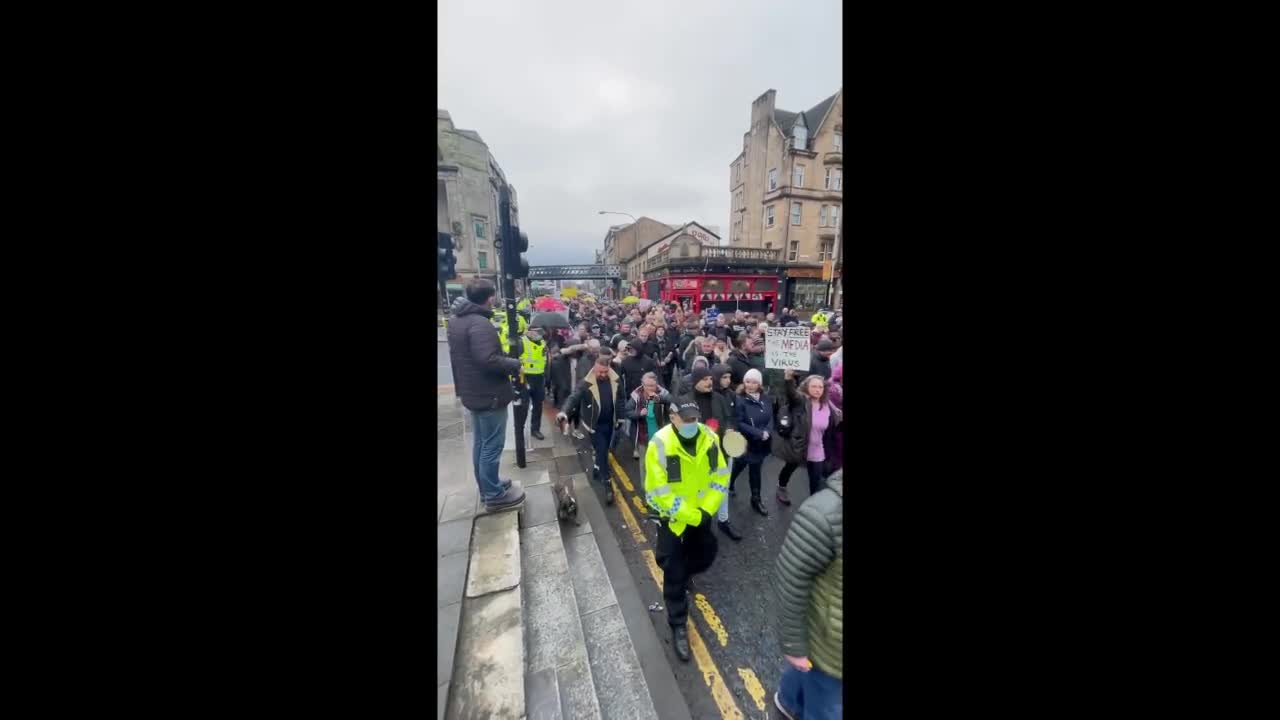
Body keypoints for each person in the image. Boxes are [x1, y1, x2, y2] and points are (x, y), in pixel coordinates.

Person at [643, 400, 729, 662]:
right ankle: (678, 622)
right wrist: (692, 515)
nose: (692, 424)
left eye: (695, 419)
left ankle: (683, 576)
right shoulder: (659, 443)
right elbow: (660, 491)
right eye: (686, 419)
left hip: (701, 516)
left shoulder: (710, 437)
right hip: (675, 521)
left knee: (705, 554)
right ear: (673, 417)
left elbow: (720, 475)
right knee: (674, 571)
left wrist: (706, 510)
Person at [446, 279, 526, 513]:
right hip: (489, 394)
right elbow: (487, 360)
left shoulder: (457, 320)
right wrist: (514, 363)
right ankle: (493, 494)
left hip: (474, 392)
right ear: (490, 298)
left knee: (481, 444)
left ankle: (488, 485)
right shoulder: (480, 324)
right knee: (492, 445)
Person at [772, 468, 844, 720]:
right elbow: (791, 576)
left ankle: (788, 700)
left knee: (806, 675)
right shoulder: (824, 513)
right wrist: (793, 644)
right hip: (830, 652)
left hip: (827, 649)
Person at [558, 352, 625, 505]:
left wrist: (620, 418)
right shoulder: (585, 383)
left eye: (605, 371)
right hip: (595, 426)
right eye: (599, 371)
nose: (602, 374)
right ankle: (608, 486)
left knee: (605, 449)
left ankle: (596, 467)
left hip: (610, 423)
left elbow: (621, 398)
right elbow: (573, 398)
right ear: (594, 368)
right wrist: (564, 412)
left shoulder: (615, 379)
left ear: (609, 368)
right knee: (602, 452)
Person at [681, 365, 738, 541]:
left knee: (722, 488)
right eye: (705, 380)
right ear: (696, 381)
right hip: (698, 456)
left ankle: (723, 521)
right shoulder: (684, 401)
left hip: (720, 452)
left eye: (710, 379)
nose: (709, 383)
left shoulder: (719, 398)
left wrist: (729, 429)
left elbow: (729, 418)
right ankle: (698, 524)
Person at [772, 373, 842, 506]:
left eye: (820, 387)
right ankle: (781, 487)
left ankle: (813, 505)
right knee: (789, 468)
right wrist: (788, 378)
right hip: (800, 446)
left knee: (816, 480)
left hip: (817, 449)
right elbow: (791, 394)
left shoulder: (828, 405)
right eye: (814, 386)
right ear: (806, 388)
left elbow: (834, 424)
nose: (817, 390)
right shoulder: (802, 402)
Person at [731, 368, 773, 517]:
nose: (750, 385)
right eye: (748, 381)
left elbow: (770, 417)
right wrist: (758, 433)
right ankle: (731, 484)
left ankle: (755, 499)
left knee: (754, 470)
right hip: (747, 442)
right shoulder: (740, 399)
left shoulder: (765, 398)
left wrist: (768, 431)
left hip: (762, 443)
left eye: (754, 382)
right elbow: (740, 422)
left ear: (759, 384)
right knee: (741, 464)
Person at [625, 371, 674, 465]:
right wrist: (639, 413)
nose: (650, 388)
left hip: (660, 434)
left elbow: (673, 402)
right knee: (644, 464)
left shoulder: (662, 393)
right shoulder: (637, 395)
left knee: (660, 463)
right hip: (643, 436)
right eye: (647, 385)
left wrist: (659, 398)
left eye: (652, 386)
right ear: (642, 384)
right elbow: (627, 411)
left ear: (657, 384)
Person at [519, 326, 549, 440]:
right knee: (523, 406)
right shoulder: (521, 342)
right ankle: (519, 429)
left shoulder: (542, 342)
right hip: (525, 378)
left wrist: (546, 378)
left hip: (539, 378)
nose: (539, 335)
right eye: (537, 333)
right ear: (530, 332)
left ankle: (535, 429)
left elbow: (544, 360)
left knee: (538, 406)